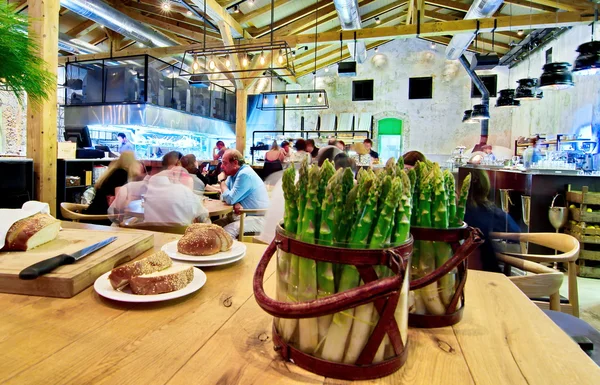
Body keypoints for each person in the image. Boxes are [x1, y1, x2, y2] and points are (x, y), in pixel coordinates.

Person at [463, 169, 520, 272]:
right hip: (489, 270)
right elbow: (516, 232)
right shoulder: (492, 211)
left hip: (470, 271)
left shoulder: (458, 211)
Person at [215, 149, 270, 238]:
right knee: (213, 227)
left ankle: (236, 251)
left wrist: (221, 181)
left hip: (258, 217)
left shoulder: (244, 174)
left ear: (235, 163)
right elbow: (224, 196)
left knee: (227, 232)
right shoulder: (232, 175)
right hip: (242, 215)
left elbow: (229, 198)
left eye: (224, 163)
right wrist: (235, 202)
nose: (221, 166)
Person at [84, 151, 144, 224]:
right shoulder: (121, 174)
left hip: (94, 214)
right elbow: (120, 202)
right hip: (102, 218)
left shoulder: (113, 172)